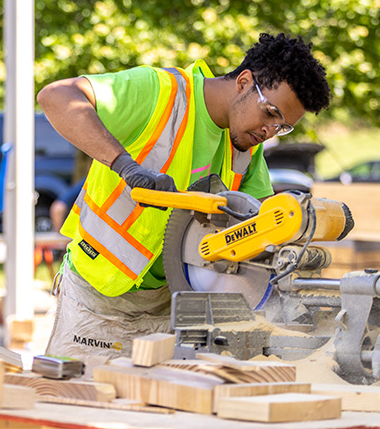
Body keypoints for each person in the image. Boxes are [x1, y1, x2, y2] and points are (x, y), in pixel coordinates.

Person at [37, 33, 331, 359]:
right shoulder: (160, 93)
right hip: (98, 301)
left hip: (170, 308)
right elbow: (56, 96)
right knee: (78, 402)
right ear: (244, 81)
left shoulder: (246, 146)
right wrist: (126, 167)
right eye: (271, 113)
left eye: (282, 127)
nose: (269, 131)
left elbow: (258, 230)